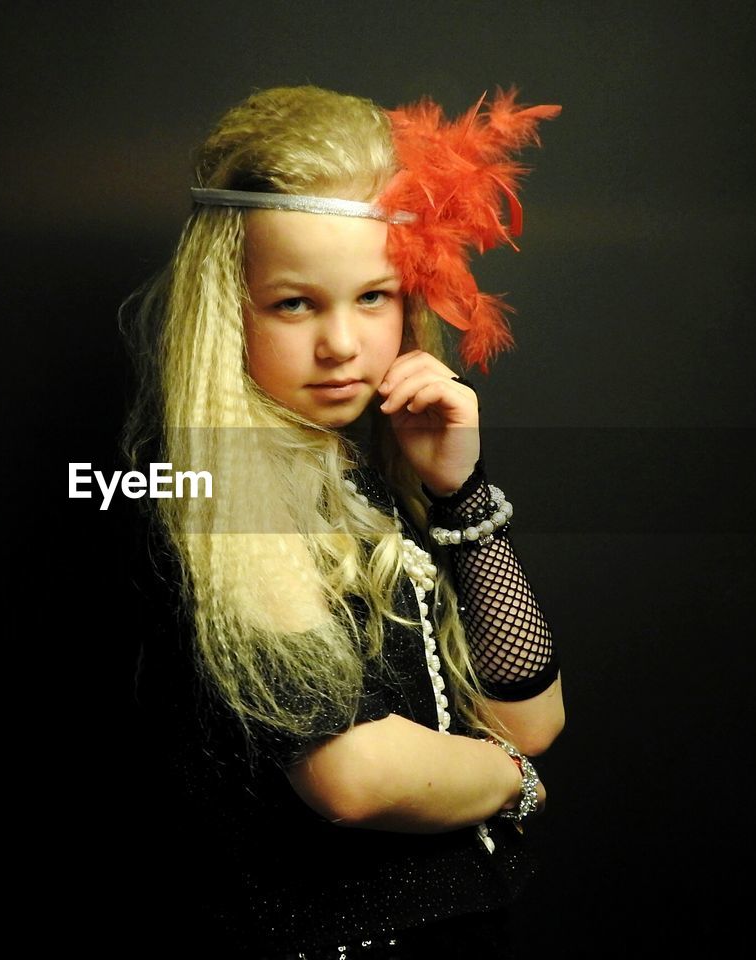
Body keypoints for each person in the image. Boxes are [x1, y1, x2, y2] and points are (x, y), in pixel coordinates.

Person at [121, 84, 564, 959]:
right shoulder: (196, 483)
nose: (341, 344)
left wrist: (459, 496)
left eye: (374, 297)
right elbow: (352, 776)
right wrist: (516, 784)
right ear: (227, 306)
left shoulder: (371, 465)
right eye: (295, 304)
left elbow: (532, 718)